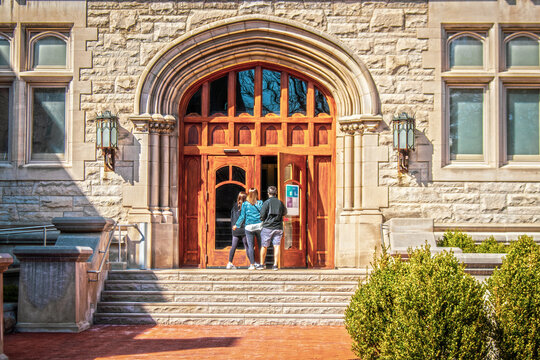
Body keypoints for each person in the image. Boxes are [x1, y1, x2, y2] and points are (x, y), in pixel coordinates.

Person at [257, 185, 287, 271]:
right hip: (278, 227)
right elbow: (285, 212)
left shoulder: (266, 202)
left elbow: (262, 215)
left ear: (268, 193)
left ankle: (262, 265)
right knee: (276, 246)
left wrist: (264, 219)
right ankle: (275, 265)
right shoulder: (280, 202)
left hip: (267, 227)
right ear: (276, 193)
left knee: (264, 246)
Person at [232, 188, 263, 270]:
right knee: (261, 245)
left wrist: (236, 225)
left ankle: (252, 265)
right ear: (257, 194)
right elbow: (263, 213)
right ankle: (262, 264)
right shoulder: (260, 203)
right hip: (259, 226)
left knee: (250, 246)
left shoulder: (245, 204)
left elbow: (242, 216)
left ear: (248, 194)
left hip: (249, 227)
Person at [227, 191, 248, 270]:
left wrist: (233, 227)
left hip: (235, 229)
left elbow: (232, 218)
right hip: (244, 229)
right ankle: (252, 263)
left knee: (233, 246)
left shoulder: (234, 206)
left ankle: (229, 262)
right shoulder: (246, 207)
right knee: (247, 246)